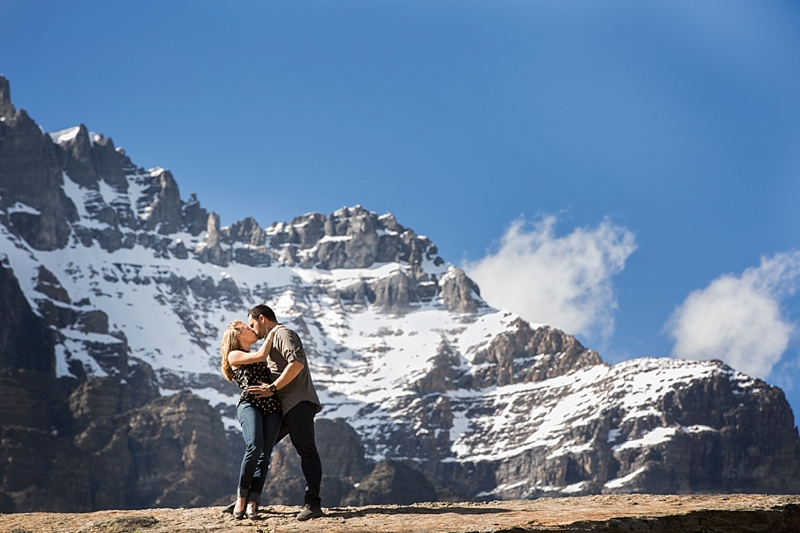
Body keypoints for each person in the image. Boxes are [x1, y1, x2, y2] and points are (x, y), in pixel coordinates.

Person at [247, 304, 324, 521]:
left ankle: (313, 504)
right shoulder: (272, 339)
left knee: (306, 450)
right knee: (261, 448)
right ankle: (247, 499)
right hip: (285, 407)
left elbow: (296, 364)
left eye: (253, 324)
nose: (253, 330)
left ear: (262, 318)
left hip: (298, 403)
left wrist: (271, 388)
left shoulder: (283, 333)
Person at [220, 320, 282, 520]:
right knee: (254, 446)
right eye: (247, 328)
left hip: (272, 407)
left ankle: (253, 502)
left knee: (265, 455)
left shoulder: (257, 356)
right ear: (239, 336)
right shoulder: (234, 355)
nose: (252, 329)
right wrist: (272, 332)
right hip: (250, 404)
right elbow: (260, 355)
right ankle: (241, 498)